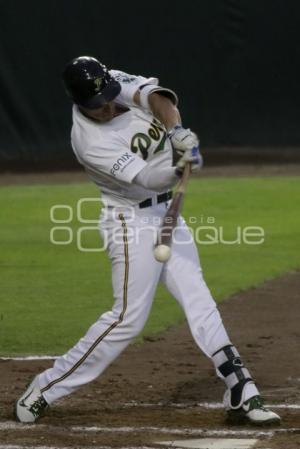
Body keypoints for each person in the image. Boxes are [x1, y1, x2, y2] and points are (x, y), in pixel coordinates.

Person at [15, 56, 280, 426]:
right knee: (127, 318)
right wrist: (177, 164)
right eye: (98, 106)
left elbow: (159, 98)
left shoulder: (113, 84)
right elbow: (146, 180)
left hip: (165, 214)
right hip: (129, 221)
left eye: (108, 97)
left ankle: (240, 387)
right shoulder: (89, 140)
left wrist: (175, 132)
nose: (108, 107)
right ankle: (46, 387)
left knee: (197, 295)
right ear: (78, 104)